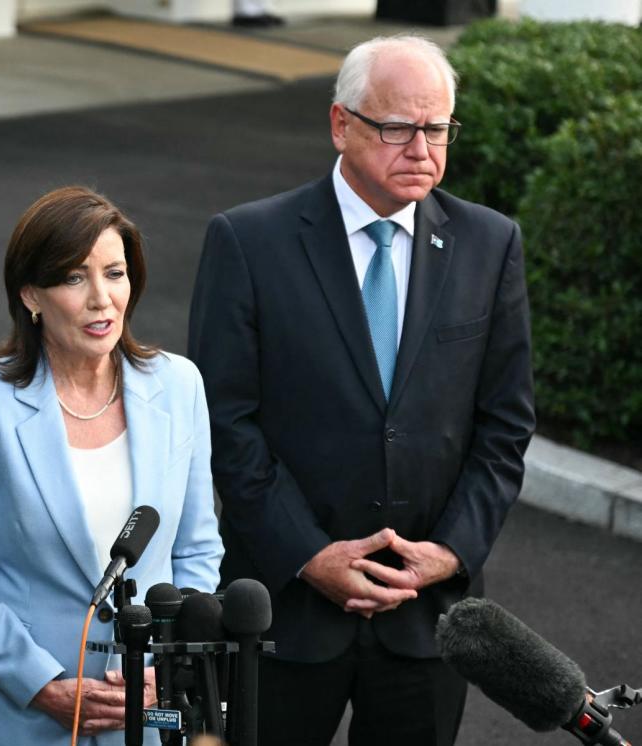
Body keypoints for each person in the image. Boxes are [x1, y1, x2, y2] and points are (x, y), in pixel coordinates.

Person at [188, 35, 534, 745]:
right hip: (283, 614)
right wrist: (309, 555)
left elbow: (504, 425)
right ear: (341, 124)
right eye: (398, 127)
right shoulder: (249, 241)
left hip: (427, 621)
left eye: (437, 128)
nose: (421, 148)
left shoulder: (489, 244)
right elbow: (226, 423)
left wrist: (451, 552)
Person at [0, 187, 223, 744]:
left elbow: (197, 549)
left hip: (144, 710)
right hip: (19, 715)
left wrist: (164, 663)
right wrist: (42, 685)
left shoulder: (180, 386)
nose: (101, 299)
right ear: (31, 295)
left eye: (114, 273)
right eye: (73, 278)